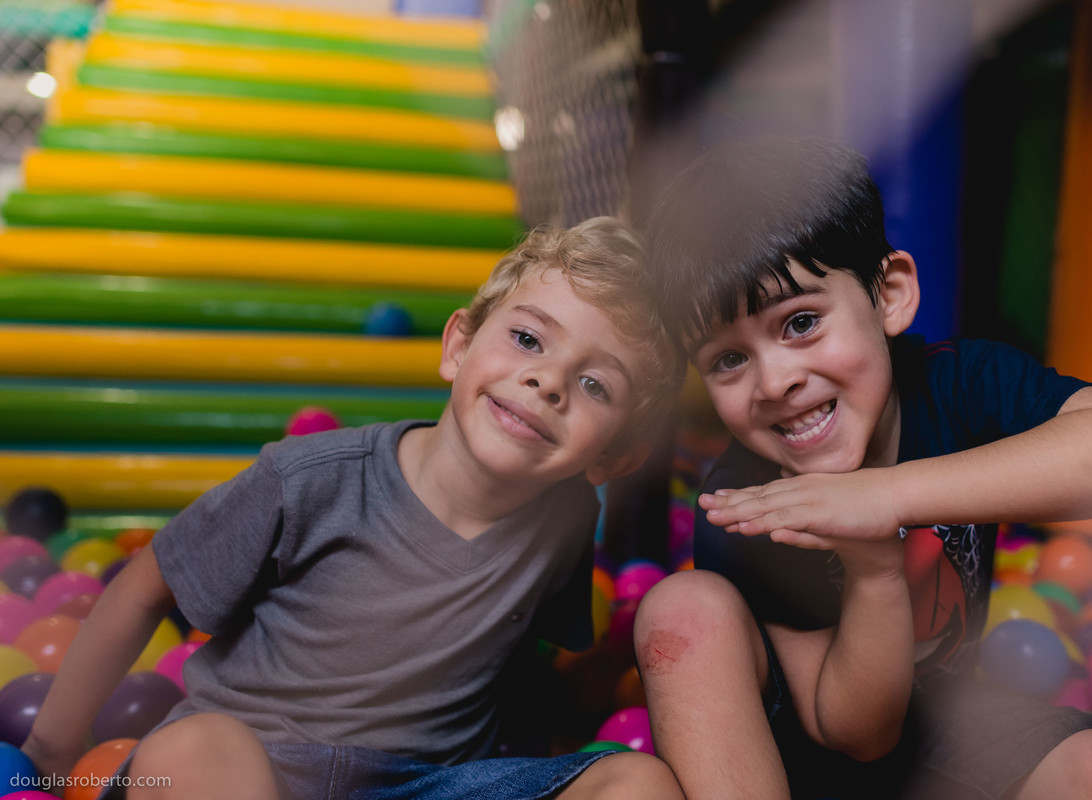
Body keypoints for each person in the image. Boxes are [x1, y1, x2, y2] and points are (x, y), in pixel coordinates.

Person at [22, 217, 687, 800]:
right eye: (529, 340)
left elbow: (531, 674)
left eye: (595, 383)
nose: (549, 382)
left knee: (638, 782)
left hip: (429, 784)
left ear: (614, 458)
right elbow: (141, 588)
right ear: (458, 346)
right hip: (259, 764)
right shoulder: (309, 479)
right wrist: (49, 754)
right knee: (189, 751)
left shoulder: (565, 521)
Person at [632, 135, 1092, 800]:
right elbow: (857, 736)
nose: (776, 380)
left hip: (950, 723)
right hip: (787, 754)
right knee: (682, 609)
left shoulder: (960, 386)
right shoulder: (745, 500)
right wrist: (873, 569)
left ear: (890, 295)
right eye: (729, 360)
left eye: (801, 322)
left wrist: (892, 495)